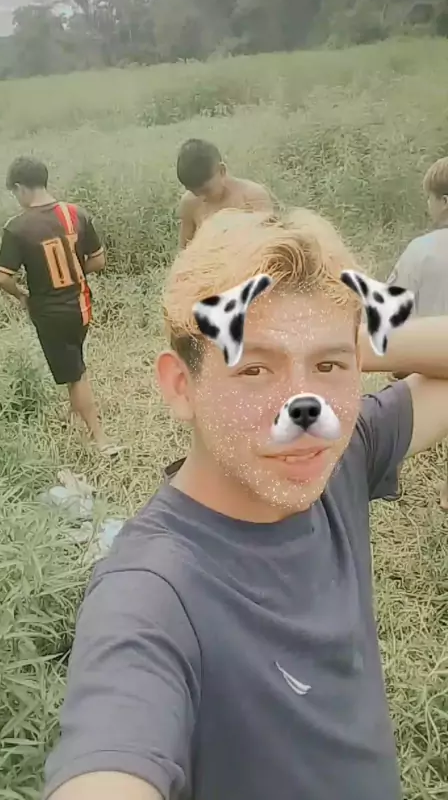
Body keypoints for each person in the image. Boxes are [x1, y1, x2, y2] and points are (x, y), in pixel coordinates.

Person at [43, 207, 448, 800]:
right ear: (181, 387)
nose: (304, 409)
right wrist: (322, 343)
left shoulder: (340, 459)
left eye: (329, 367)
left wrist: (342, 333)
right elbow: (111, 755)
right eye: (256, 368)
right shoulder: (153, 594)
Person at [0, 156, 118, 456]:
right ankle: (75, 413)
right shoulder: (76, 214)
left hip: (49, 313)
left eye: (15, 193)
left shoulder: (17, 228)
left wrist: (22, 296)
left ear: (21, 188)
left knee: (76, 375)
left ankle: (100, 439)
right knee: (72, 361)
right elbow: (99, 260)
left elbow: (3, 278)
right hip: (81, 306)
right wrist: (74, 271)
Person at [386, 155, 448, 507]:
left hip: (427, 360)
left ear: (445, 202)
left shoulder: (422, 250)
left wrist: (399, 360)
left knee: (396, 415)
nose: (428, 205)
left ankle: (388, 479)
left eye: (430, 198)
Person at [177, 138, 273, 248]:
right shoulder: (190, 203)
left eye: (205, 190)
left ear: (222, 171)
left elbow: (269, 245)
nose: (201, 197)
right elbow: (184, 249)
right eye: (193, 192)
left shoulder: (252, 197)